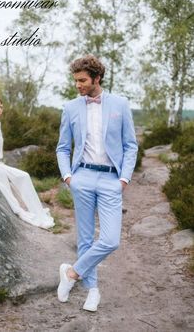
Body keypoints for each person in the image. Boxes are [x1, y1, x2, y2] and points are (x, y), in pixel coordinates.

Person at [56, 55, 138, 311]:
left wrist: (123, 178)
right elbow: (62, 147)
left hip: (112, 179)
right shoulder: (70, 108)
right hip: (82, 178)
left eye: (82, 80)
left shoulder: (120, 104)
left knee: (111, 239)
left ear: (96, 78)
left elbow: (130, 145)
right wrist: (68, 176)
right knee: (85, 238)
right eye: (76, 80)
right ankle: (92, 290)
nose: (78, 85)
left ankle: (72, 273)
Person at [0, 96, 54, 229]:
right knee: (6, 186)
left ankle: (36, 210)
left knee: (24, 176)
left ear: (2, 109)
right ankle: (20, 210)